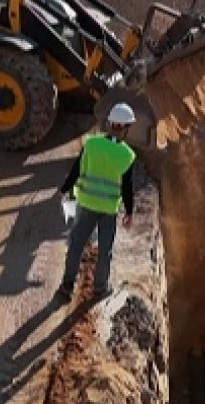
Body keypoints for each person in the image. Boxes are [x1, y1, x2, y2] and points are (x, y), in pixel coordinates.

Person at [54, 102, 137, 304]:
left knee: (76, 245)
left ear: (109, 124)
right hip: (108, 209)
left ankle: (66, 288)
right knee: (105, 250)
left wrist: (64, 189)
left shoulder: (91, 144)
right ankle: (100, 290)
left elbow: (76, 170)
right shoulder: (127, 155)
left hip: (86, 204)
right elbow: (127, 188)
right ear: (126, 128)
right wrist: (129, 212)